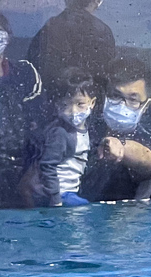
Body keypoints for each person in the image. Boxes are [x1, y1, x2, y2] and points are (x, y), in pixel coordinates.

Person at [0, 9, 41, 208]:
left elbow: (37, 124)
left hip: (23, 168)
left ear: (9, 36)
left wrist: (32, 171)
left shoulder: (26, 72)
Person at [80, 57, 151, 203]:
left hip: (119, 222)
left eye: (133, 100)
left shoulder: (149, 140)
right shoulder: (87, 128)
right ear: (104, 95)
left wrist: (121, 147)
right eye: (116, 96)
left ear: (146, 105)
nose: (122, 105)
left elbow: (146, 158)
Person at [21, 68, 96, 208]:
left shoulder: (85, 130)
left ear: (92, 103)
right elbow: (47, 166)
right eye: (65, 105)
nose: (73, 111)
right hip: (57, 194)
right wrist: (55, 199)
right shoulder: (60, 133)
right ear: (57, 106)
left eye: (80, 104)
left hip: (67, 192)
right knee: (85, 210)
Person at [25, 0, 115, 92]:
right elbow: (104, 73)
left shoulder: (51, 26)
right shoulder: (102, 31)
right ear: (97, 1)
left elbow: (33, 67)